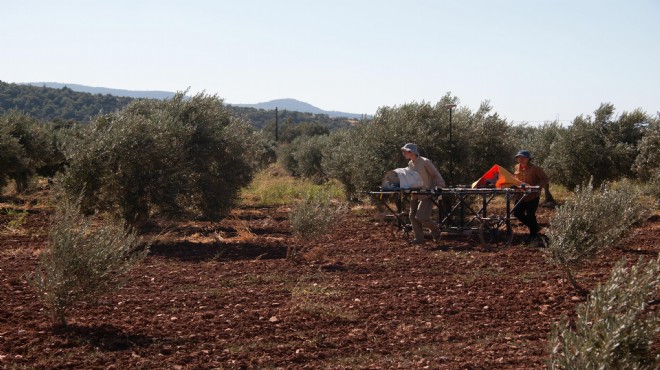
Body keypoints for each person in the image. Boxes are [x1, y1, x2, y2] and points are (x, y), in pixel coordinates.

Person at [400, 143, 446, 244]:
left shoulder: (425, 162)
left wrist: (440, 187)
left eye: (405, 151)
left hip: (427, 192)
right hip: (415, 192)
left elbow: (435, 174)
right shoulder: (410, 164)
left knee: (421, 217)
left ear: (411, 152)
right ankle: (419, 239)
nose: (403, 153)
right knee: (412, 216)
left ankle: (436, 231)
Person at [512, 150, 549, 243]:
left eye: (523, 157)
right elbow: (516, 179)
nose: (521, 159)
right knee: (516, 212)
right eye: (519, 157)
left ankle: (533, 235)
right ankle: (535, 227)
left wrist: (537, 187)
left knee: (530, 214)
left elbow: (544, 179)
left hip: (532, 196)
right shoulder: (516, 167)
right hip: (520, 195)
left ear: (528, 159)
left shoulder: (535, 168)